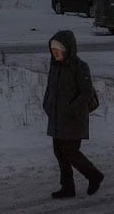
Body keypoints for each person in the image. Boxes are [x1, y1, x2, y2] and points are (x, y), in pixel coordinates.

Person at [42, 29, 104, 199]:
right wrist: (47, 104)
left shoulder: (79, 67)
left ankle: (94, 175)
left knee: (70, 151)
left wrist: (71, 109)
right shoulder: (55, 66)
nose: (55, 53)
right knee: (59, 152)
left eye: (59, 50)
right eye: (53, 50)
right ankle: (67, 187)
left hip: (73, 119)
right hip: (56, 118)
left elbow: (86, 94)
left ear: (68, 49)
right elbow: (50, 89)